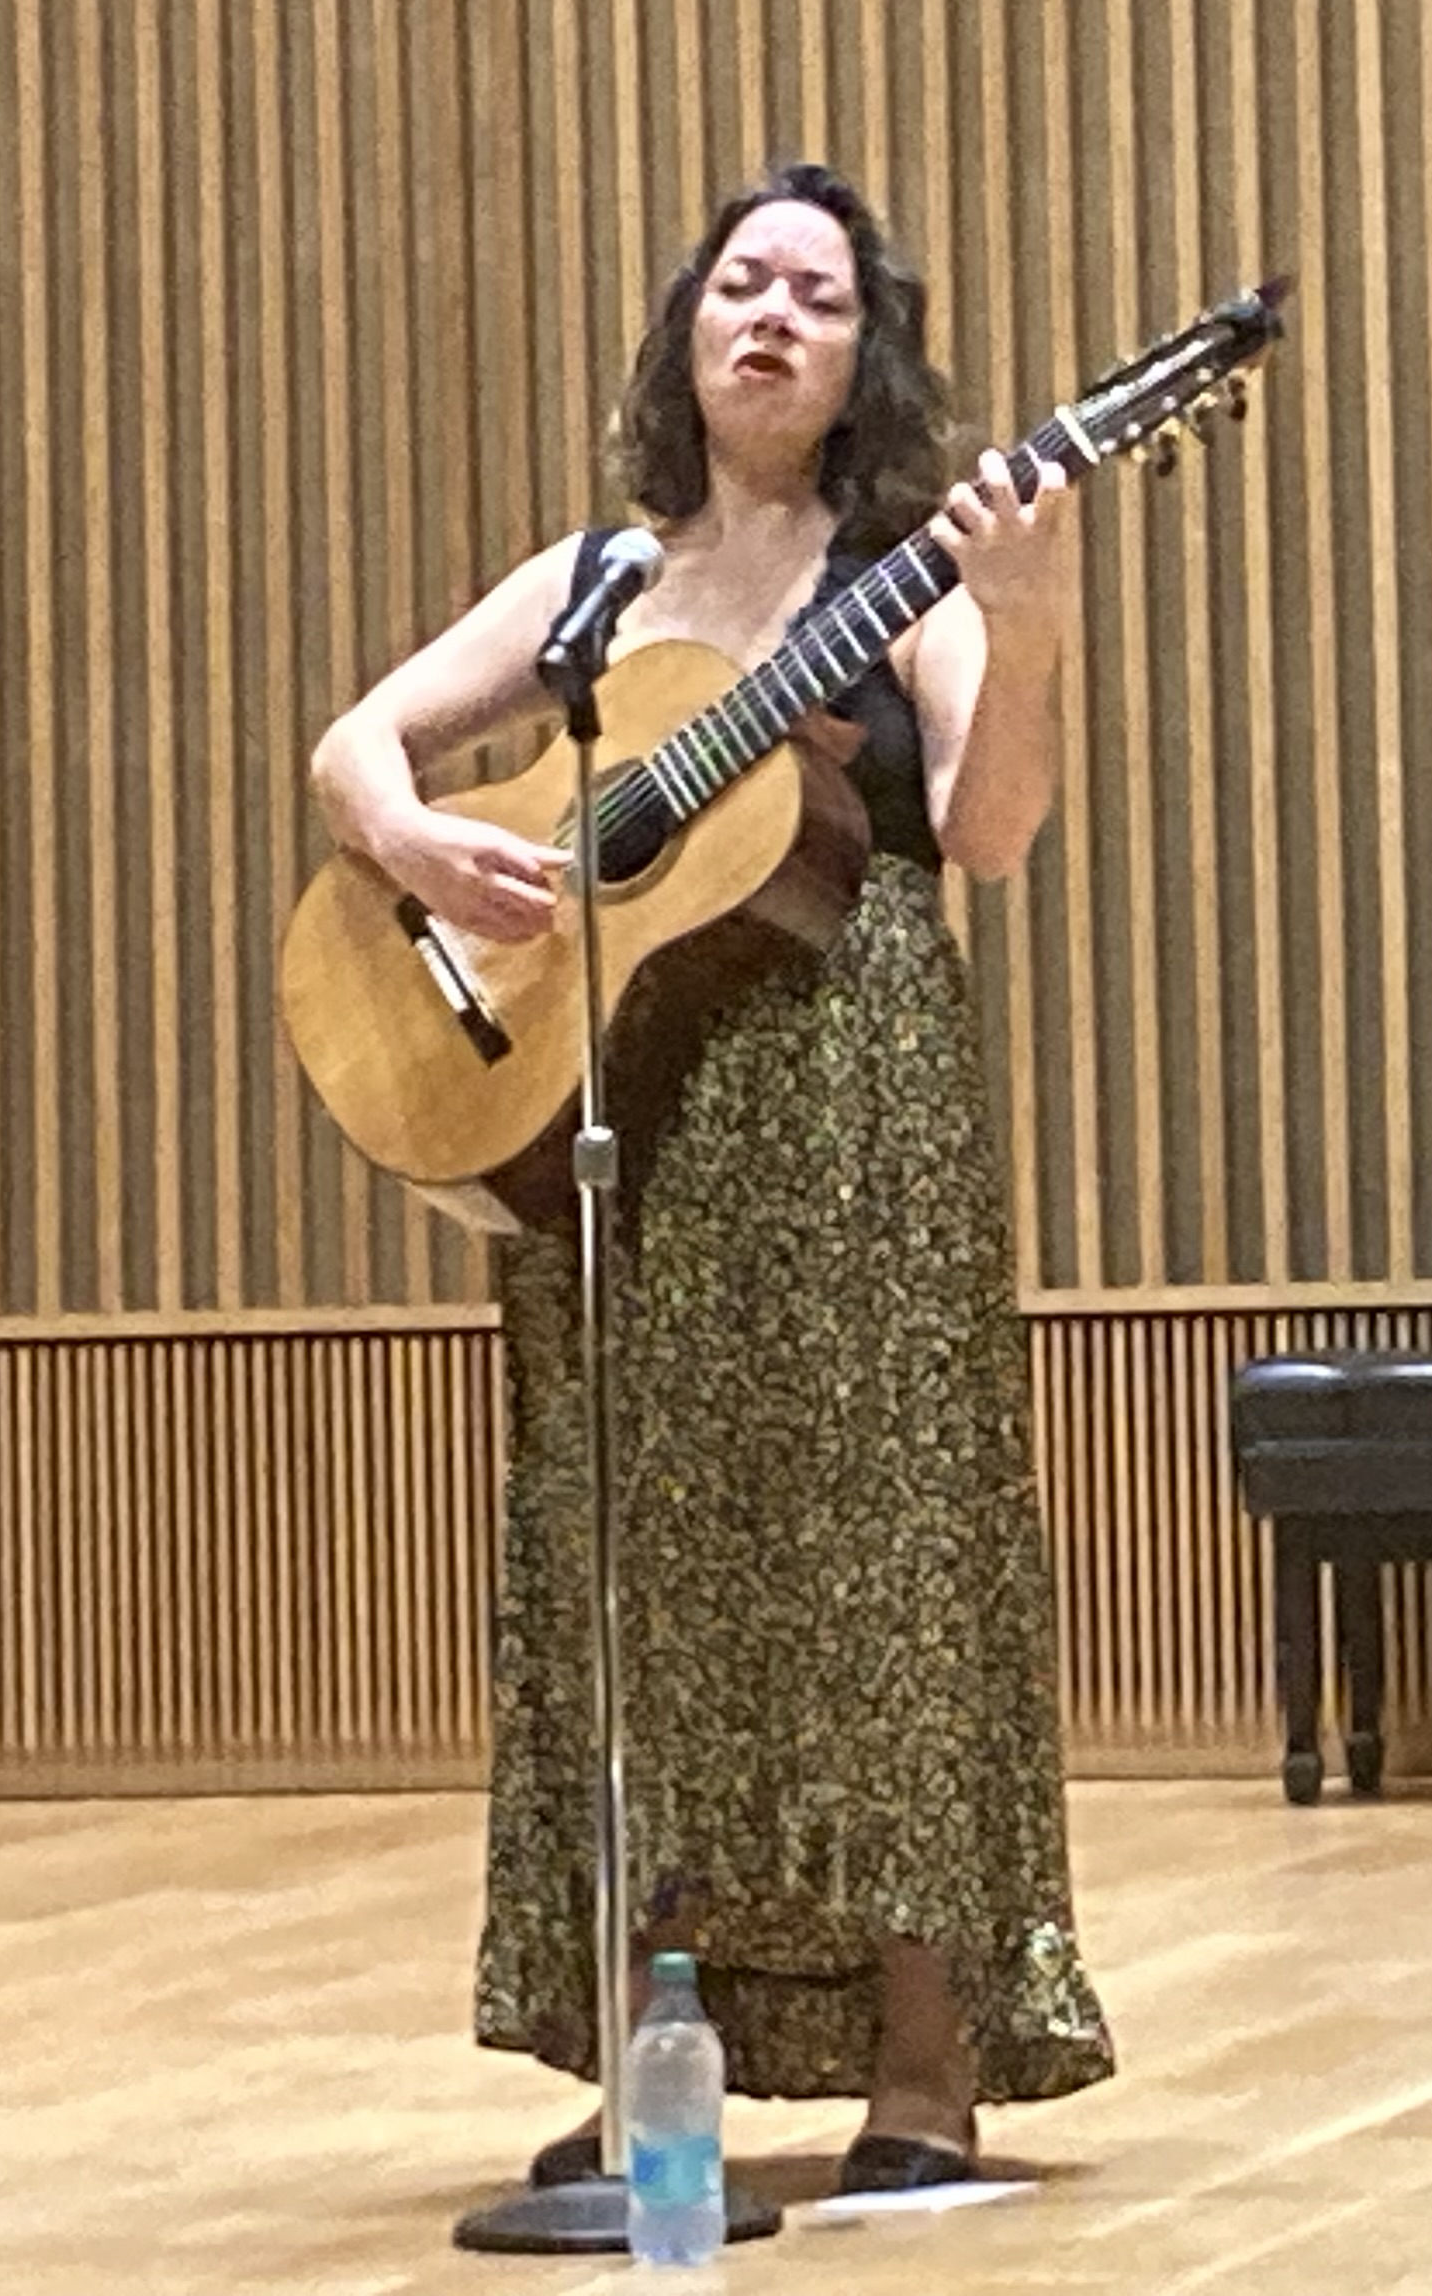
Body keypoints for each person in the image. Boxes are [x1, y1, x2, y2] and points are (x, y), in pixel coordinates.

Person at [309, 160, 1115, 2190]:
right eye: (741, 282)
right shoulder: (593, 581)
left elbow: (993, 831)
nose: (771, 316)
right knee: (639, 1587)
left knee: (884, 1571)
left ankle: (921, 2066)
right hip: (622, 1134)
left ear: (866, 358)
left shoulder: (906, 570)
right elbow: (355, 751)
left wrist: (1028, 633)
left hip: (854, 1106)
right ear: (689, 327)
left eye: (817, 298)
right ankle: (654, 2050)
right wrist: (420, 851)